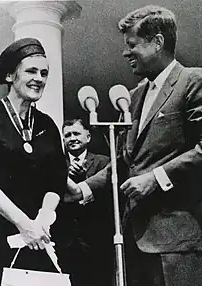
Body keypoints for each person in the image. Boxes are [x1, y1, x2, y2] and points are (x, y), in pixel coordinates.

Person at [65, 5, 202, 285]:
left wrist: (157, 178)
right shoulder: (133, 97)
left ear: (158, 42)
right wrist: (82, 189)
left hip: (177, 244)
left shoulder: (192, 81)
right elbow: (122, 160)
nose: (126, 53)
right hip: (132, 242)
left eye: (132, 45)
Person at [0, 38, 67, 286]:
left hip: (39, 236)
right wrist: (23, 224)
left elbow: (57, 178)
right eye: (31, 71)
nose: (39, 78)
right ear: (10, 75)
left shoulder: (47, 125)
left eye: (44, 73)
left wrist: (43, 217)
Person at [55, 118, 114, 286]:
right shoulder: (57, 165)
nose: (72, 138)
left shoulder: (105, 162)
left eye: (76, 133)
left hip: (97, 241)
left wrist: (84, 180)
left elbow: (107, 198)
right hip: (66, 242)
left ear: (88, 137)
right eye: (67, 135)